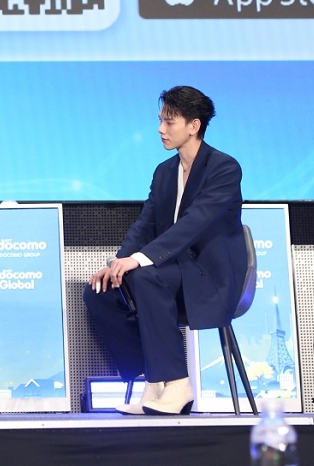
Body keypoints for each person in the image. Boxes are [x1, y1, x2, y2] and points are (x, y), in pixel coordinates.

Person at [83, 86, 245, 416]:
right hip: (169, 274)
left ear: (194, 126)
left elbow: (193, 223)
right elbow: (145, 223)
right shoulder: (164, 172)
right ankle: (154, 379)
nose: (160, 129)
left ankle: (177, 384)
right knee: (100, 291)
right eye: (160, 121)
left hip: (209, 277)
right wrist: (118, 263)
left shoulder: (224, 168)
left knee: (145, 277)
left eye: (169, 122)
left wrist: (138, 260)